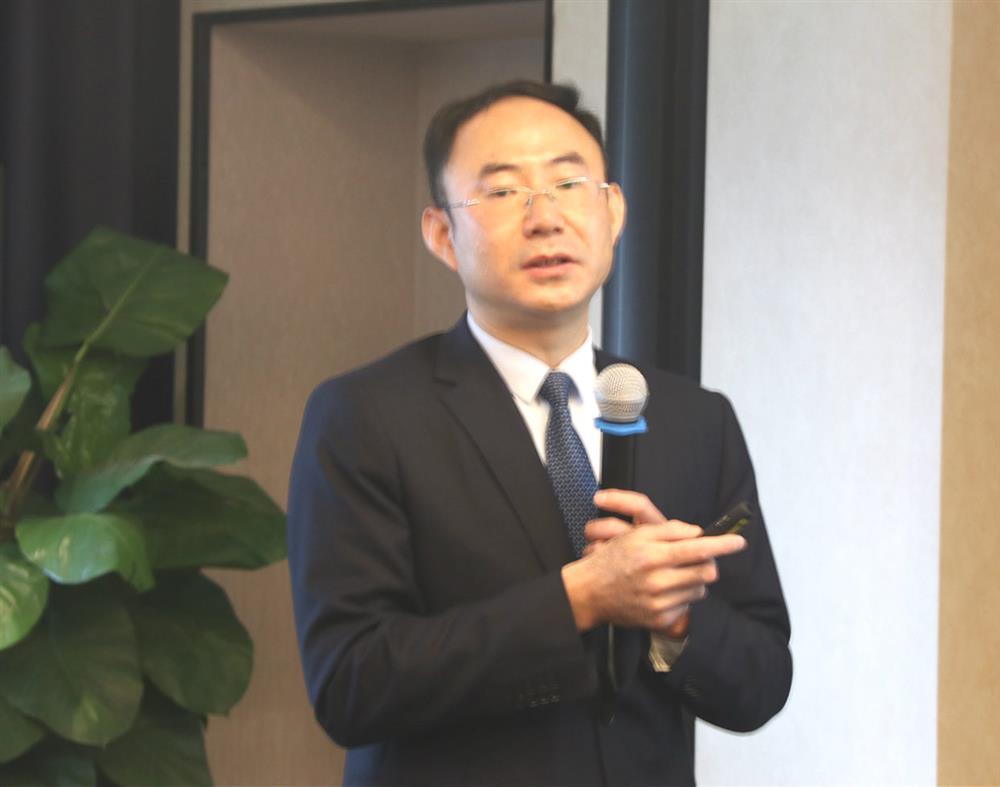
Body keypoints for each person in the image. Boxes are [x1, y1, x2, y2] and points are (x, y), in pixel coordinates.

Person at [287, 80, 791, 786]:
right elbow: (350, 682)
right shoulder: (366, 415)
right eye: (502, 192)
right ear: (442, 234)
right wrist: (581, 598)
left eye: (569, 183)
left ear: (613, 211)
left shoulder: (696, 420)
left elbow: (763, 681)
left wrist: (675, 618)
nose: (545, 218)